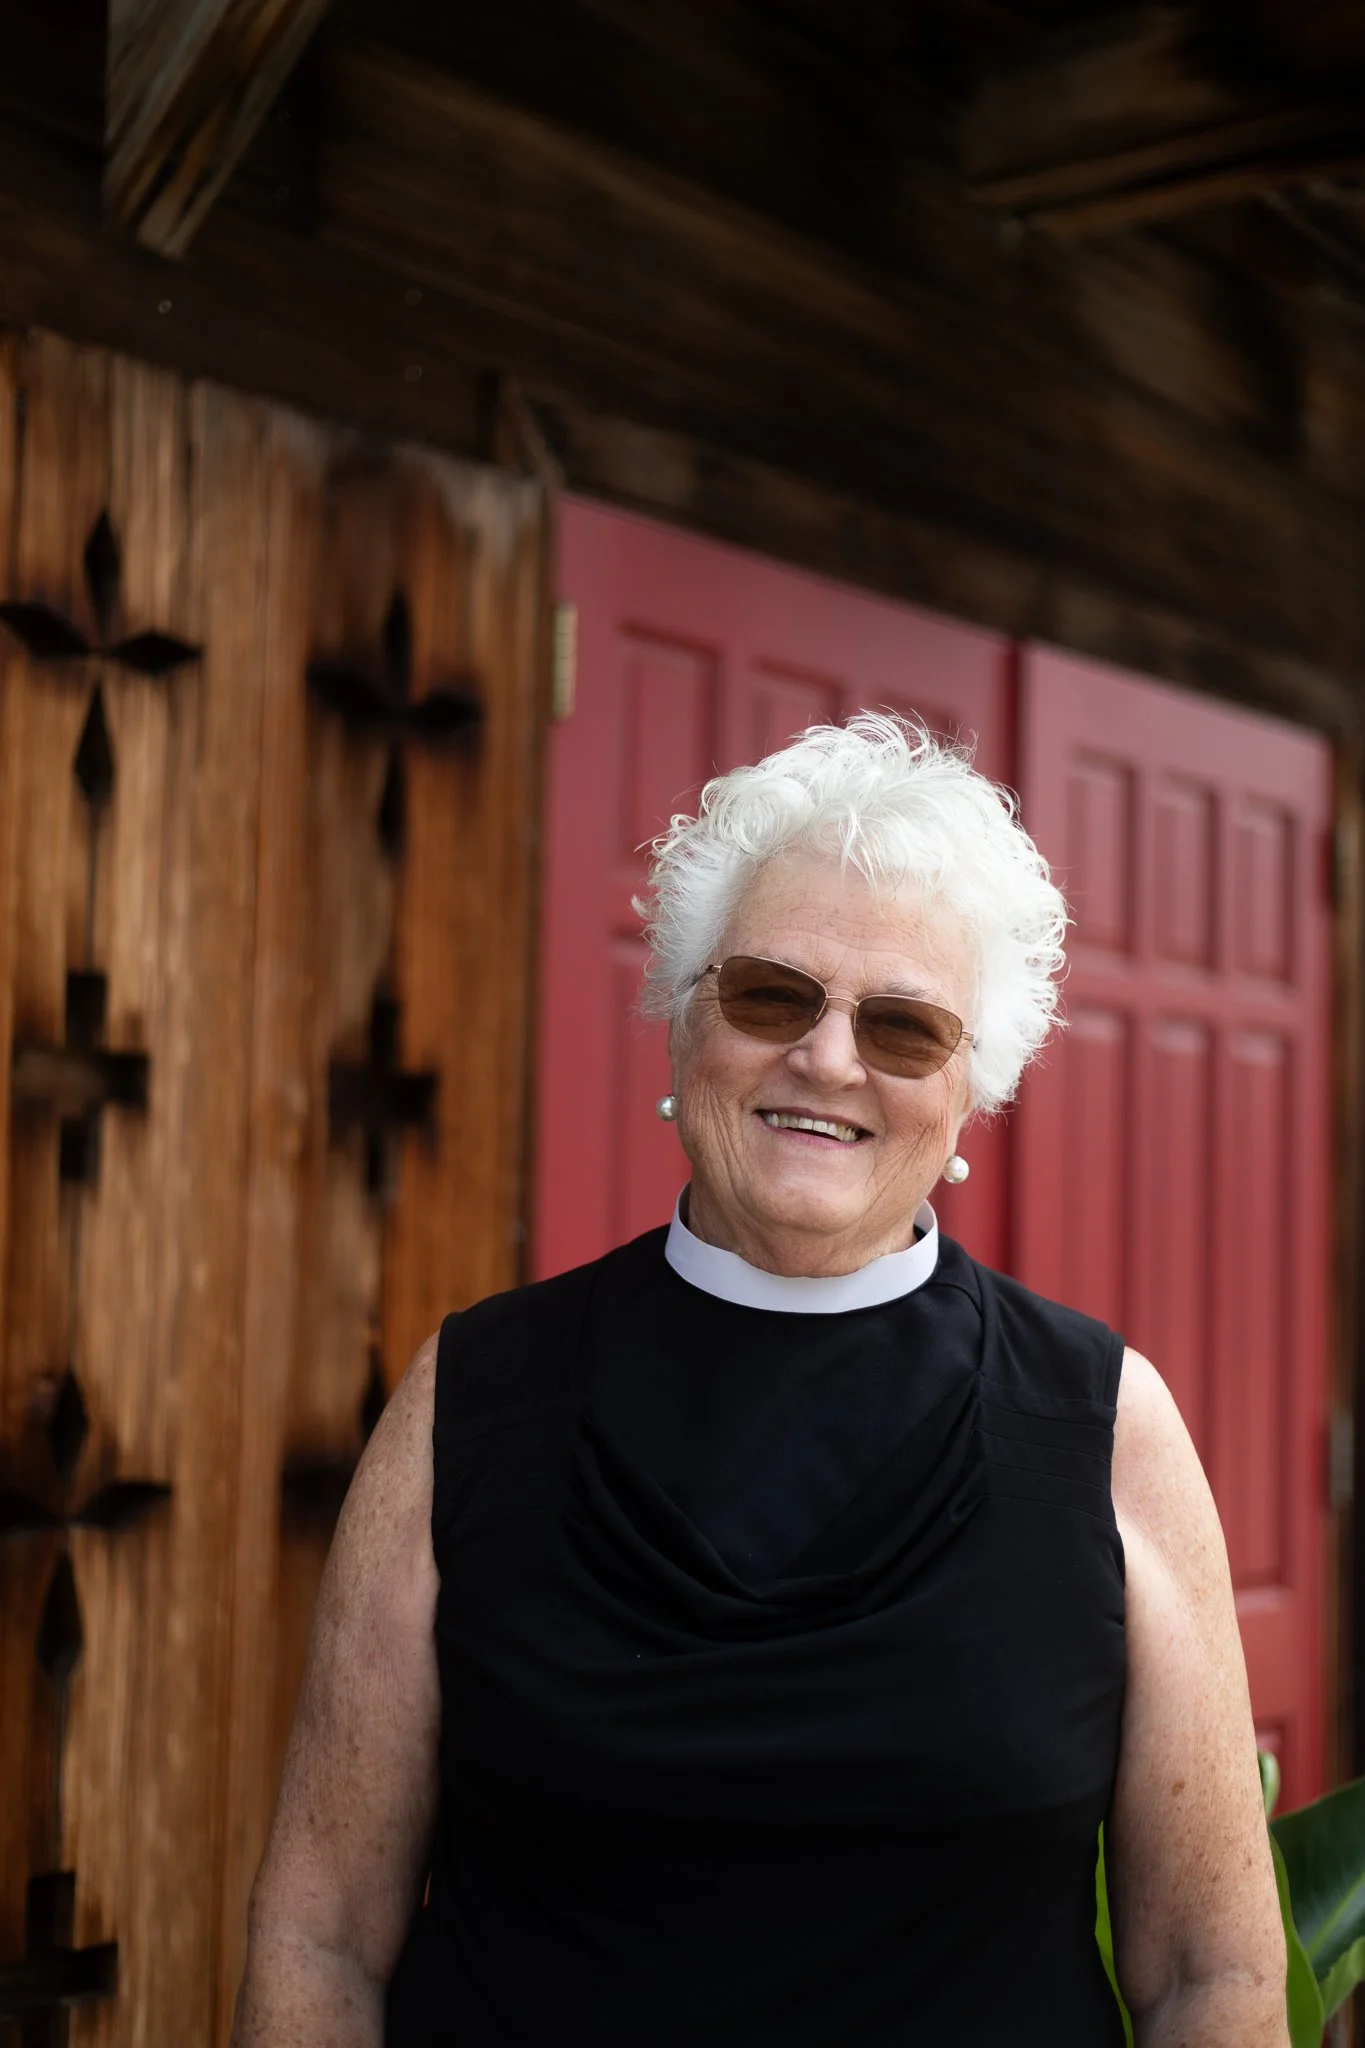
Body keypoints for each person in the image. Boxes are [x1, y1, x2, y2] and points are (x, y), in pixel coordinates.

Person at [232, 714, 1287, 2047]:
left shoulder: (1103, 1426)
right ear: (684, 1020)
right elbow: (322, 1934)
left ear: (970, 1091)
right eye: (773, 997)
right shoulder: (476, 1394)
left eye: (903, 1027)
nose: (829, 1059)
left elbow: (1213, 1975)